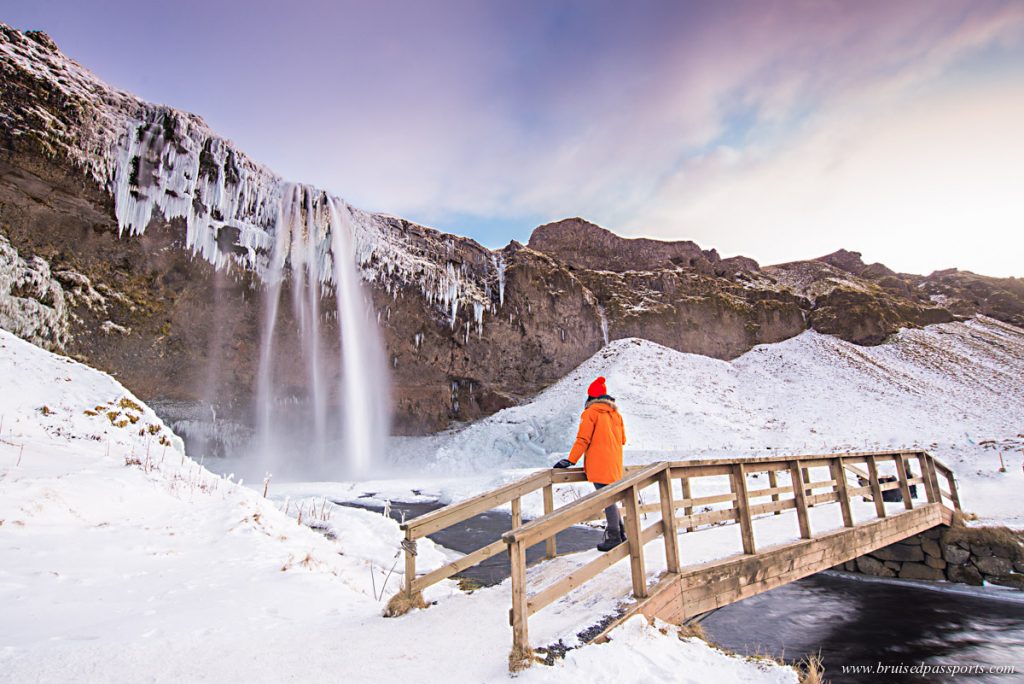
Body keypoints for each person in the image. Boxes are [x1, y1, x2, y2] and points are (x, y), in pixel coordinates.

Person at [553, 376, 627, 552]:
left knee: (606, 498)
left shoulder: (591, 413)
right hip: (614, 462)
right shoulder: (616, 414)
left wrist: (570, 460)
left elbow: (583, 439)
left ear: (590, 398)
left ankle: (614, 536)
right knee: (611, 497)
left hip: (599, 463)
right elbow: (623, 440)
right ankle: (621, 532)